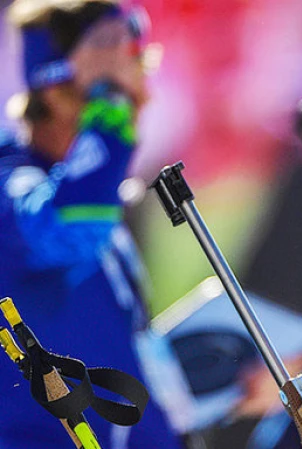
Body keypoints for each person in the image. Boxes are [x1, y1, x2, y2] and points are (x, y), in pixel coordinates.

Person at [0, 0, 180, 447]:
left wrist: (227, 368)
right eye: (114, 83)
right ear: (54, 92)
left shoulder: (89, 193)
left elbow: (120, 357)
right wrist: (110, 104)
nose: (141, 96)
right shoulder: (12, 182)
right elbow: (70, 225)